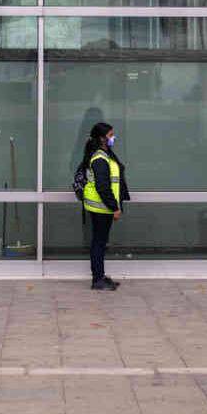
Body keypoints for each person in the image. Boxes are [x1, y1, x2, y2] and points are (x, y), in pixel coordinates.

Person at [80, 122, 129, 290]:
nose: (113, 137)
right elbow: (103, 187)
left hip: (103, 206)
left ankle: (100, 276)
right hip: (101, 207)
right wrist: (115, 207)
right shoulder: (100, 158)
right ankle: (97, 280)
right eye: (110, 135)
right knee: (99, 243)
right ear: (102, 138)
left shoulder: (105, 154)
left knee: (100, 242)